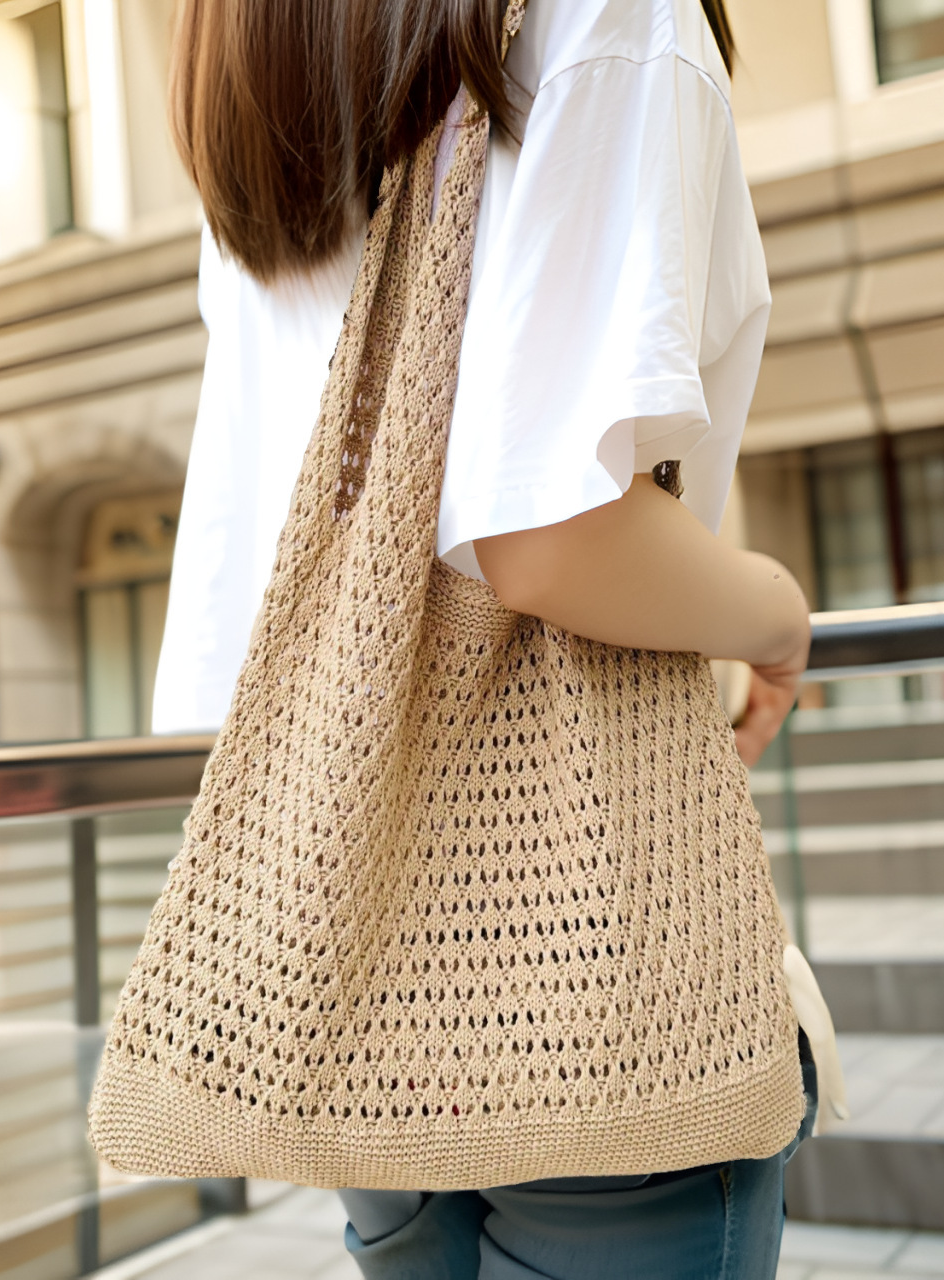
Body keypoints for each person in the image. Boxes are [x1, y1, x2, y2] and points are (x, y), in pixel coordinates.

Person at [156, 1, 820, 1275]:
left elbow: (256, 513)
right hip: (581, 936)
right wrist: (774, 613)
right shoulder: (607, 15)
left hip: (344, 927)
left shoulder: (252, 45)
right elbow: (549, 534)